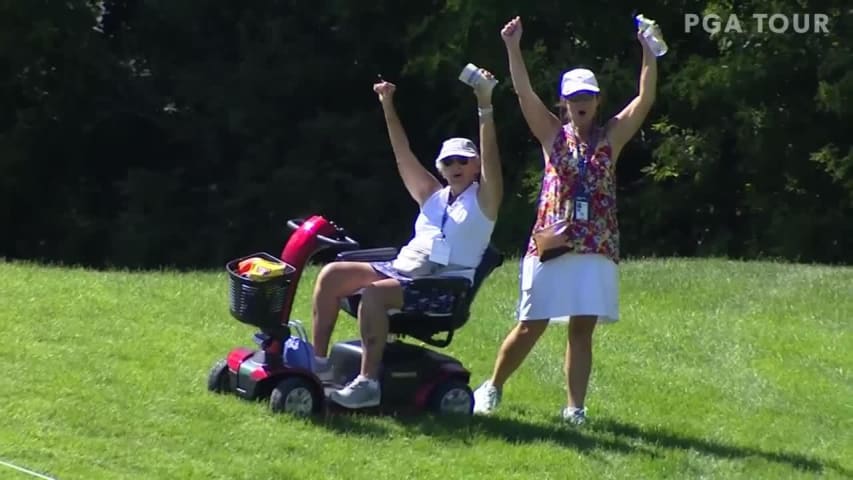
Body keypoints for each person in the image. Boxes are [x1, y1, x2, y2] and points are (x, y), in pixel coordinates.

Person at [472, 16, 658, 424]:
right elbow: (522, 94)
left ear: (596, 100)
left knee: (581, 330)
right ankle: (492, 386)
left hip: (597, 246)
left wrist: (648, 51)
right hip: (553, 243)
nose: (581, 102)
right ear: (564, 101)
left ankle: (575, 408)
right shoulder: (553, 134)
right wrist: (512, 47)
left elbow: (644, 99)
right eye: (574, 97)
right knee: (531, 324)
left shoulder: (611, 136)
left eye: (588, 95)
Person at [309, 70, 503, 409]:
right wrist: (387, 104)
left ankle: (367, 384)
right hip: (403, 271)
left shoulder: (484, 201)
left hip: (441, 287)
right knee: (330, 276)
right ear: (441, 168)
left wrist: (484, 104)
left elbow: (492, 159)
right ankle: (318, 366)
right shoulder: (432, 194)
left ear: (475, 168)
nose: (456, 165)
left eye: (464, 160)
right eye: (449, 161)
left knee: (371, 295)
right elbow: (402, 153)